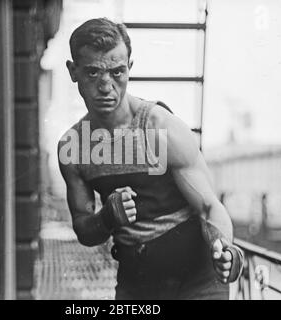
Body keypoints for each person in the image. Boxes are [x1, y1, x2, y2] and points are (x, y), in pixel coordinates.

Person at [58, 18, 243, 300]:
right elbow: (84, 229)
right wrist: (107, 218)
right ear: (73, 71)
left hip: (198, 278)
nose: (106, 86)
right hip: (138, 281)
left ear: (130, 68)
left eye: (117, 72)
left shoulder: (159, 126)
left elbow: (208, 206)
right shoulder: (74, 147)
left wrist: (224, 249)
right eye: (93, 73)